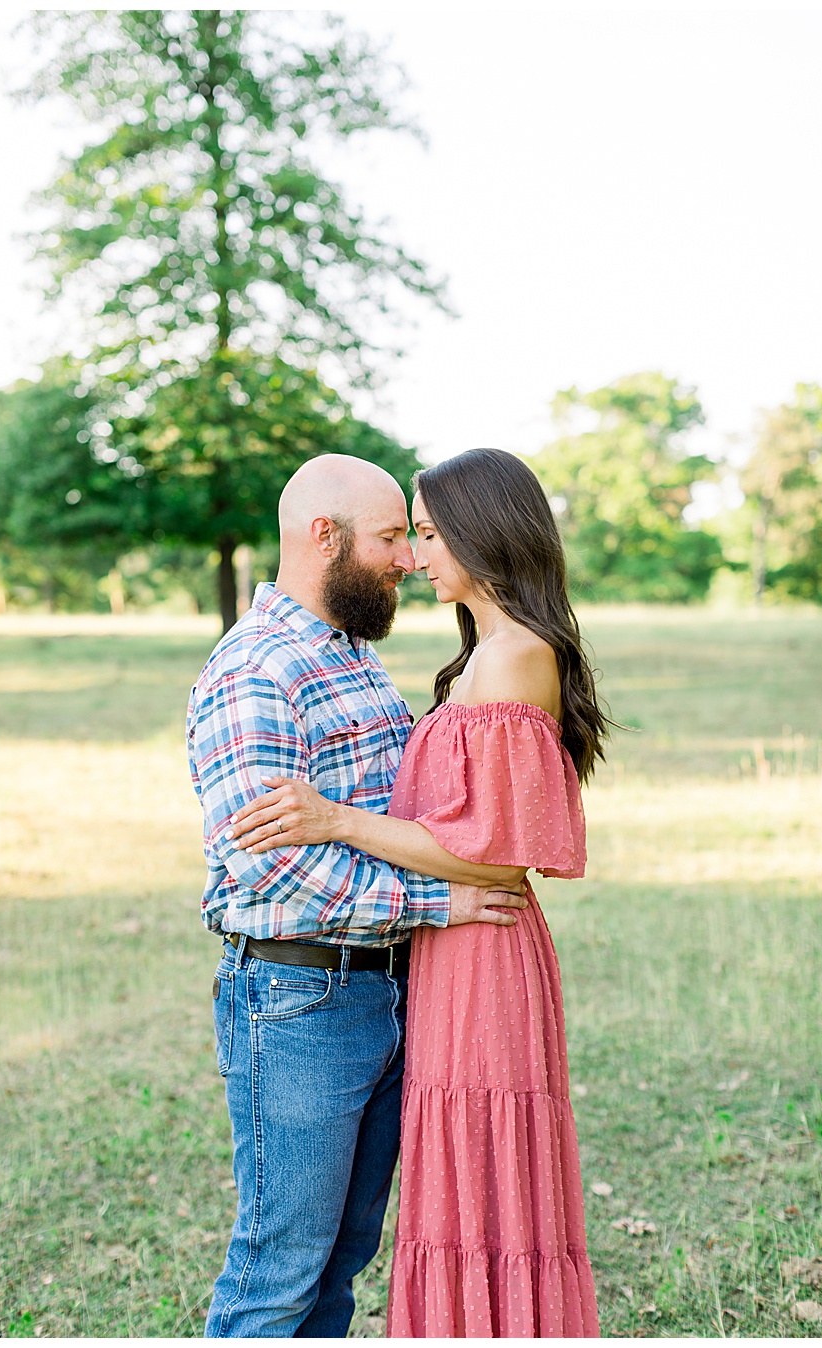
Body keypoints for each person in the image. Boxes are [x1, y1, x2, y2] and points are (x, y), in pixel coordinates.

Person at [228, 447, 608, 1336]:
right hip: (435, 949)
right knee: (446, 1184)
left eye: (428, 534)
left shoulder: (515, 657)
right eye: (406, 535)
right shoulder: (472, 657)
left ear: (484, 534)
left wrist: (335, 820)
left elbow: (500, 860)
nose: (412, 556)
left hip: (481, 946)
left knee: (481, 1178)